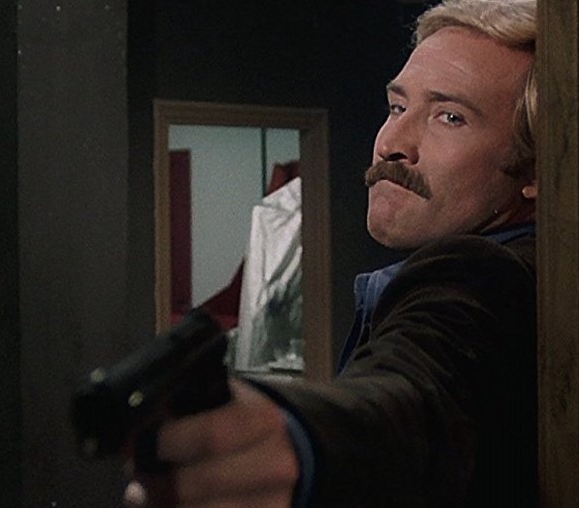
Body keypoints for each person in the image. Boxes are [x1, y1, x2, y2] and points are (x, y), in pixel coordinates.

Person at [126, 0, 542, 506]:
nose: (391, 143)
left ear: (535, 170)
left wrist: (300, 444)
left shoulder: (486, 276)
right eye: (397, 107)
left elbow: (411, 392)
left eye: (450, 117)